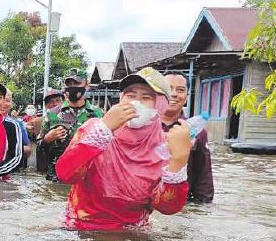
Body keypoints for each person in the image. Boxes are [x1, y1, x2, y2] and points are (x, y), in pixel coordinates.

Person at [55, 67, 192, 231]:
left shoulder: (166, 147)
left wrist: (179, 162)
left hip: (132, 236)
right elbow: (65, 174)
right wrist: (104, 130)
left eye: (146, 97)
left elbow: (167, 207)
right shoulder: (94, 129)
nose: (136, 103)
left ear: (160, 106)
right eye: (130, 95)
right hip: (79, 229)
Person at [38, 69, 104, 181]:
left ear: (86, 85)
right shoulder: (52, 114)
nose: (72, 87)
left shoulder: (98, 114)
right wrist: (47, 139)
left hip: (88, 179)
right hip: (57, 180)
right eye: (69, 84)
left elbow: (106, 148)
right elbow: (39, 147)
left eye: (77, 83)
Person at [162, 74, 214, 203]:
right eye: (168, 89)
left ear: (186, 98)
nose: (174, 94)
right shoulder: (142, 126)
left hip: (177, 203)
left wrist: (201, 208)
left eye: (180, 90)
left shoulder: (196, 131)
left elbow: (203, 173)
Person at [0, 91, 31, 166]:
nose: (3, 103)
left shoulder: (17, 124)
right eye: (0, 99)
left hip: (10, 163)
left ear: (11, 104)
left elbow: (27, 148)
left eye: (7, 100)